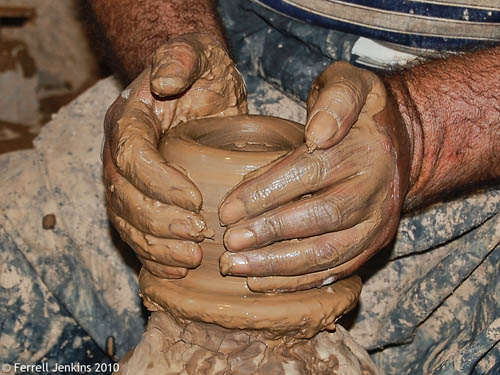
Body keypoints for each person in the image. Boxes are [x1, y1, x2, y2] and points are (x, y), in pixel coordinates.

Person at [0, 1, 498, 374]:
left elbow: (428, 123)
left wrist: (421, 131)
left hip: (470, 118)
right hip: (237, 48)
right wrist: (172, 47)